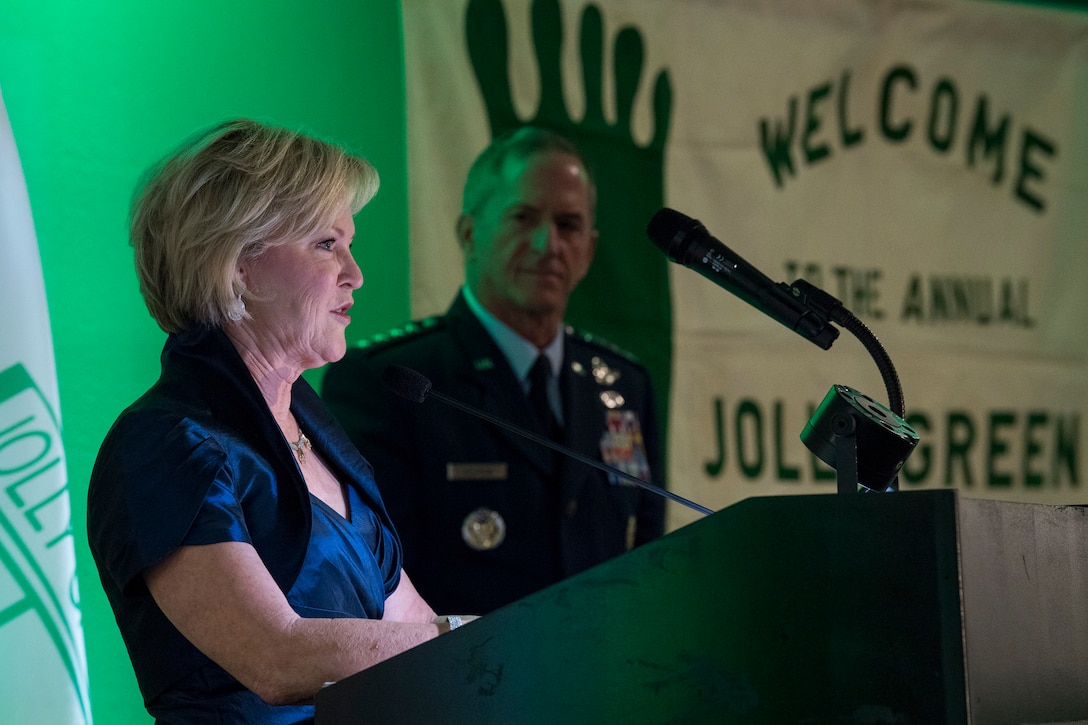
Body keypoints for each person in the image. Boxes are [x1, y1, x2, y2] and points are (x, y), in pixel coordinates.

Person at [87, 119, 468, 724]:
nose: (355, 274)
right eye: (326, 244)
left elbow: (416, 633)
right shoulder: (165, 445)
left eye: (350, 244)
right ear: (238, 262)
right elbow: (275, 657)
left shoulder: (323, 441)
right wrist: (473, 641)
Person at [321, 126, 666, 616]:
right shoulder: (395, 380)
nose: (548, 244)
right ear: (468, 233)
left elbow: (647, 559)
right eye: (523, 218)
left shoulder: (626, 384)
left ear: (589, 250)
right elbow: (375, 581)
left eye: (569, 226)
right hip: (460, 681)